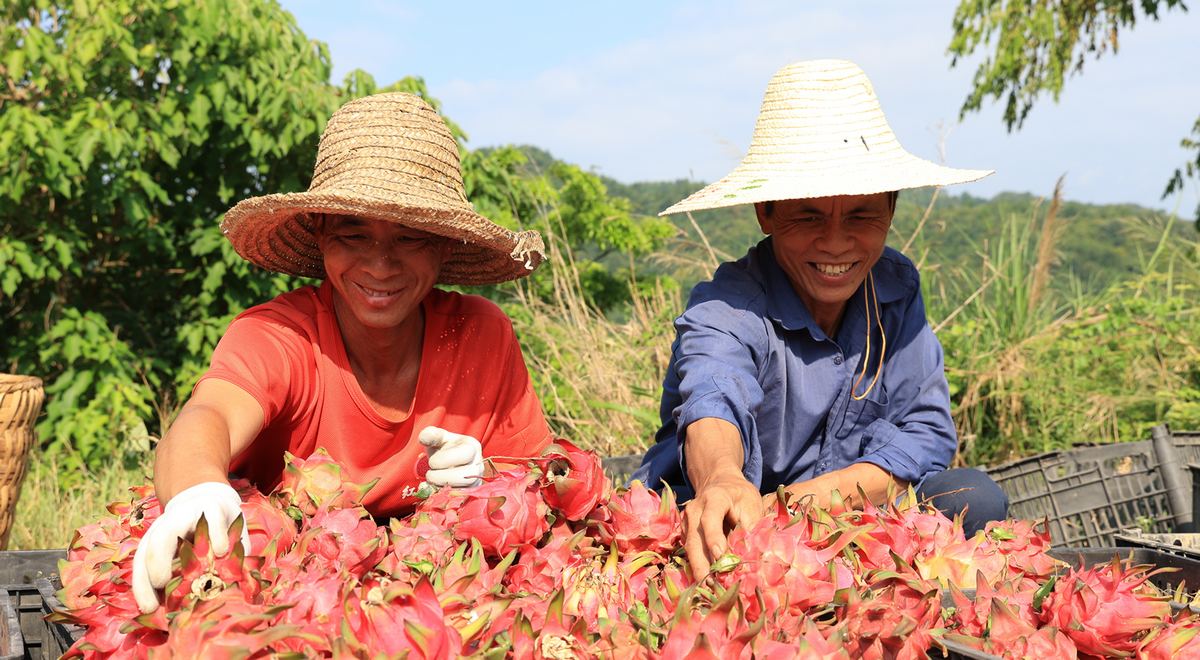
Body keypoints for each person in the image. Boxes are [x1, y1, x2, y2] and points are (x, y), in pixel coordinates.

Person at [131, 93, 553, 612]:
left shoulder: (480, 336)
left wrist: (488, 477)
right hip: (280, 606)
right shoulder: (282, 335)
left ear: (444, 246)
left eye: (409, 238)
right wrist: (199, 494)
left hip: (441, 608)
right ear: (320, 234)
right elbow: (208, 416)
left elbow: (535, 489)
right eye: (353, 233)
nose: (379, 265)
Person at [632, 59, 1009, 577]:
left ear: (892, 210)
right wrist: (724, 479)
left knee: (976, 498)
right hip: (732, 525)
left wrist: (805, 503)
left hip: (841, 516)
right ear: (765, 212)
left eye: (861, 215)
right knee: (695, 536)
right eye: (807, 215)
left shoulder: (895, 290)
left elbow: (926, 433)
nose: (835, 243)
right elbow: (711, 398)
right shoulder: (726, 307)